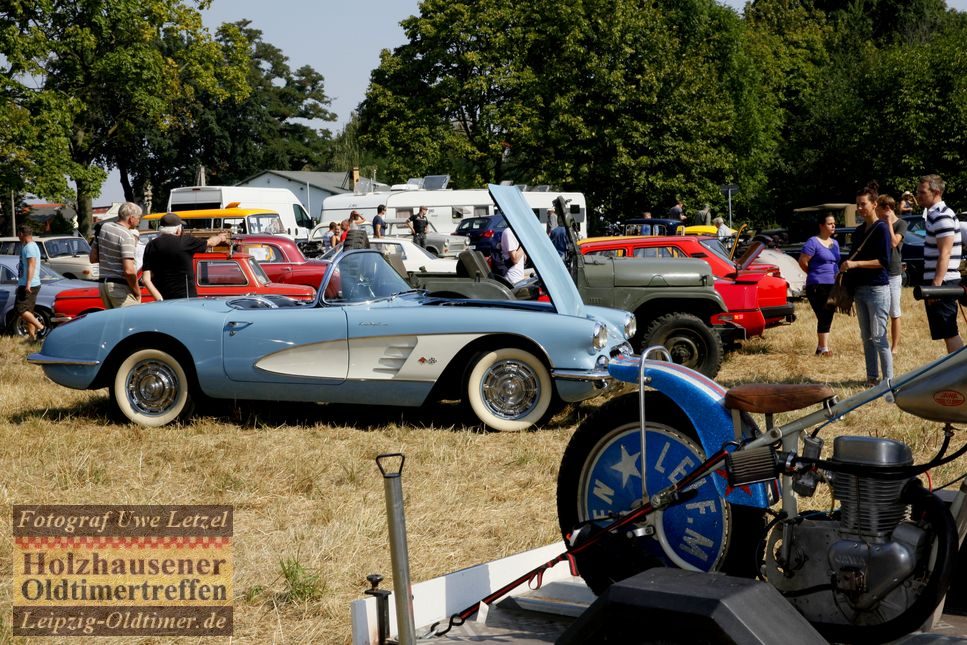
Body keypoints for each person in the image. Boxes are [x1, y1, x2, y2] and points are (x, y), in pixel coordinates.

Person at [841, 183, 892, 386]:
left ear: (874, 204)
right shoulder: (859, 230)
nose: (860, 209)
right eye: (858, 205)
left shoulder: (881, 229)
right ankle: (872, 378)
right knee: (867, 337)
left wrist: (856, 264)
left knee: (879, 337)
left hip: (878, 289)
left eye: (863, 204)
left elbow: (884, 261)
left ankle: (888, 380)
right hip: (860, 289)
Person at [918, 173, 964, 353]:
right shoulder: (935, 215)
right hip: (942, 280)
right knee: (947, 331)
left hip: (943, 281)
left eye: (922, 192)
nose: (918, 195)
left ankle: (961, 374)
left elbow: (945, 253)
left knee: (949, 331)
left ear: (935, 192)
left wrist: (936, 285)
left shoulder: (942, 215)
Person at [141, 213, 229, 301]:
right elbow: (210, 242)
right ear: (178, 229)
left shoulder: (151, 245)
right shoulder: (185, 241)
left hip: (164, 300)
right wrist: (220, 237)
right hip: (186, 299)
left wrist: (159, 299)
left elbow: (146, 279)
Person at [798, 213, 840, 357]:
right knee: (824, 315)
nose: (833, 226)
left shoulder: (835, 244)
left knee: (827, 315)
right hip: (817, 285)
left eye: (834, 223)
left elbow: (835, 262)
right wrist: (814, 274)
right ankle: (824, 349)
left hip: (832, 284)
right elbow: (803, 261)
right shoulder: (813, 242)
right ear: (821, 226)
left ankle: (820, 348)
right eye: (830, 223)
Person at [92, 201, 142, 309]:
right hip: (119, 287)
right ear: (131, 218)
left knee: (116, 323)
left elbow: (93, 258)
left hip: (103, 285)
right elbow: (129, 271)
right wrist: (137, 292)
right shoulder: (127, 235)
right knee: (133, 322)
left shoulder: (103, 228)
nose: (139, 221)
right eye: (138, 218)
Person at [876, 194, 906, 354]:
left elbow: (894, 243)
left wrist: (887, 222)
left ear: (887, 209)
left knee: (894, 311)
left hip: (893, 273)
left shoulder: (901, 224)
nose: (877, 213)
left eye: (878, 209)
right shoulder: (878, 223)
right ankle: (881, 344)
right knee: (879, 311)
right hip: (879, 271)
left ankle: (894, 347)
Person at [15, 225, 44, 341]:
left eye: (18, 233)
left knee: (20, 309)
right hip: (29, 283)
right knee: (29, 311)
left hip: (29, 285)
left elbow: (32, 266)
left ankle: (41, 327)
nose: (17, 236)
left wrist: (28, 283)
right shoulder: (28, 246)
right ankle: (32, 337)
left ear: (22, 234)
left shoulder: (29, 247)